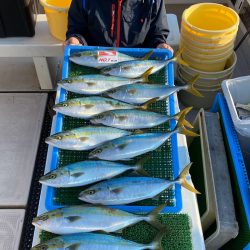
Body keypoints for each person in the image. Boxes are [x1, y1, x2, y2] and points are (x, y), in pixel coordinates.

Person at [65, 0, 173, 52]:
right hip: (96, 60)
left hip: (138, 64)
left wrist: (159, 44)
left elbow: (157, 32)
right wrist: (76, 39)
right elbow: (78, 28)